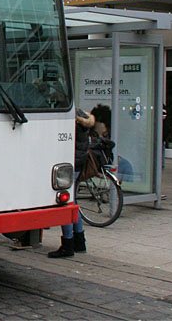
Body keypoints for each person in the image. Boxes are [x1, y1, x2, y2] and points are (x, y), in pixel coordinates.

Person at [48, 108, 95, 258]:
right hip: (79, 163)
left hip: (70, 164)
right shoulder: (83, 121)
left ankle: (68, 244)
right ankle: (80, 241)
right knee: (72, 203)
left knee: (65, 205)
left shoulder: (70, 121)